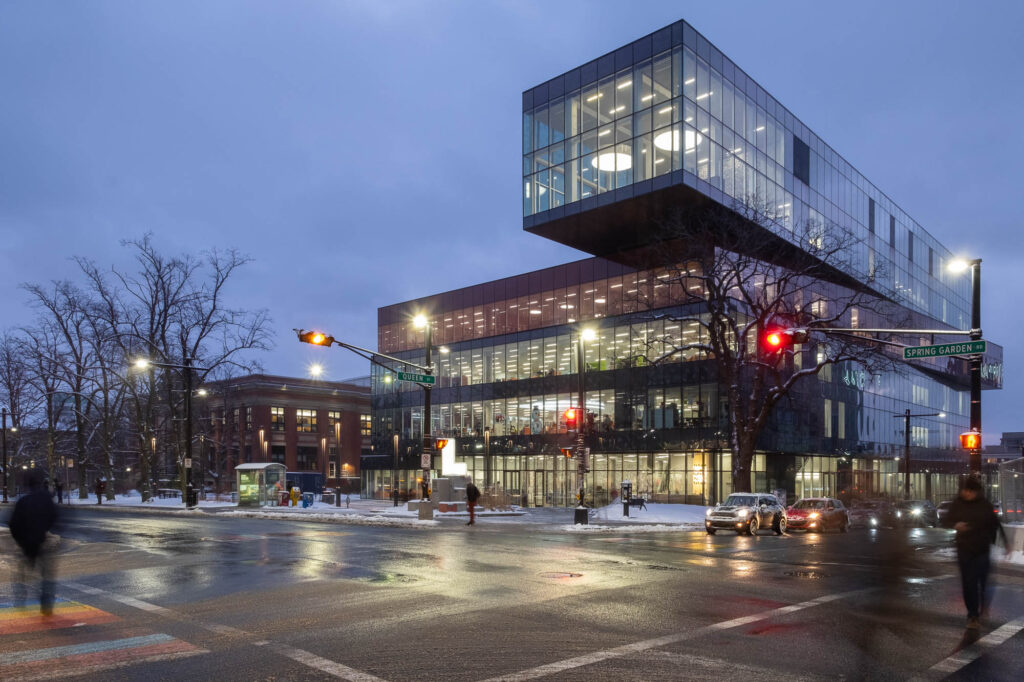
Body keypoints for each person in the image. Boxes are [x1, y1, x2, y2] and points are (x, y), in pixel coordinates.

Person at [942, 476, 1009, 629]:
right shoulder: (957, 503)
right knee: (968, 583)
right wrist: (956, 525)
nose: (966, 493)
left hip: (982, 549)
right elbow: (946, 520)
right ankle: (973, 615)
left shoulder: (984, 505)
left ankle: (983, 607)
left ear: (976, 492)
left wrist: (1005, 543)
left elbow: (996, 524)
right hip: (964, 548)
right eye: (965, 490)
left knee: (984, 583)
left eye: (969, 491)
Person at [7, 471, 60, 615]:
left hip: (26, 542)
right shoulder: (46, 499)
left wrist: (21, 542)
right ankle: (46, 602)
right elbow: (55, 517)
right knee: (47, 574)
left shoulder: (23, 501)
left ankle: (20, 598)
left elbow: (13, 524)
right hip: (43, 541)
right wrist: (44, 531)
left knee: (20, 571)